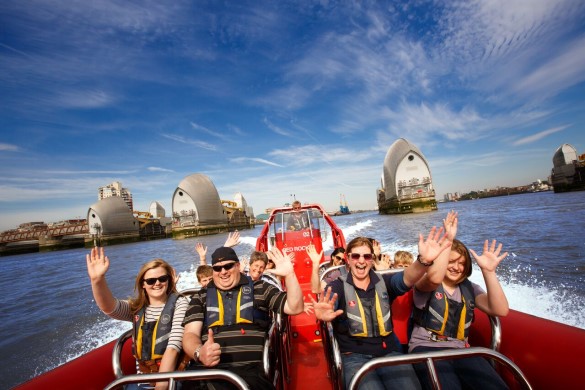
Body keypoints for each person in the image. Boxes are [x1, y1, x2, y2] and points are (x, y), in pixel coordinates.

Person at [311, 226, 452, 390]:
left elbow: (407, 277)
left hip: (389, 353)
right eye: (356, 256)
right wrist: (326, 311)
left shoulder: (384, 282)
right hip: (354, 358)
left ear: (372, 259)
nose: (361, 261)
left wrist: (424, 261)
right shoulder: (337, 286)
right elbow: (330, 301)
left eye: (366, 256)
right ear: (348, 259)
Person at [409, 212, 510, 390]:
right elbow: (433, 278)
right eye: (451, 261)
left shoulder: (469, 288)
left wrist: (488, 271)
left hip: (462, 350)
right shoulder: (426, 283)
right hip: (426, 348)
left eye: (462, 263)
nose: (457, 267)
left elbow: (500, 310)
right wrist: (448, 239)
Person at [182, 246, 304, 390]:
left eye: (228, 266)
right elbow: (190, 334)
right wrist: (199, 352)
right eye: (217, 268)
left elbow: (295, 307)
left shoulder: (261, 288)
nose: (223, 272)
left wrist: (290, 275)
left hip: (249, 373)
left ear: (238, 266)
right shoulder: (200, 296)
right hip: (206, 371)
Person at [86, 247, 190, 390]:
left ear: (169, 280)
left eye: (162, 279)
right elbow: (109, 307)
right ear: (143, 284)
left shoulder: (180, 303)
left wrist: (161, 387)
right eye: (151, 281)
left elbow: (173, 347)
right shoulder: (136, 308)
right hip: (142, 381)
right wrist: (97, 280)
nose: (157, 283)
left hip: (174, 381)